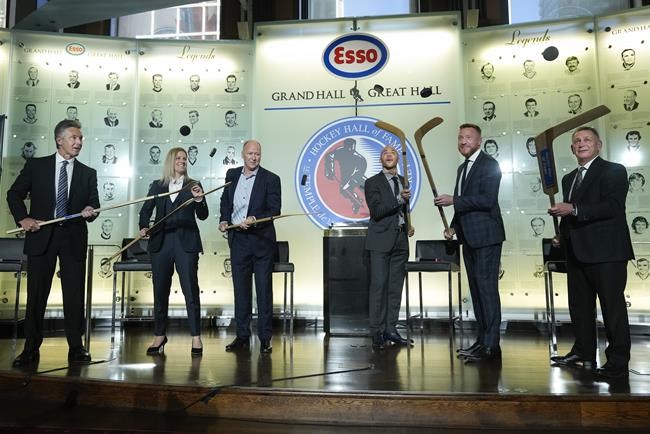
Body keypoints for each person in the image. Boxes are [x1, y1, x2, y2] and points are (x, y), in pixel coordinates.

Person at [6, 119, 99, 367]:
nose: (79, 142)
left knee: (74, 294)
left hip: (73, 238)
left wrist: (90, 210)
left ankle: (76, 347)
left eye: (80, 138)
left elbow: (94, 204)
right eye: (74, 138)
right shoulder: (36, 166)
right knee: (36, 294)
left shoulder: (88, 173)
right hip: (41, 237)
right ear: (59, 140)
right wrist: (23, 219)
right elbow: (14, 194)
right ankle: (30, 348)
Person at [548, 126, 634, 380]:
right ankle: (583, 351)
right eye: (577, 141)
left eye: (587, 139)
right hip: (576, 252)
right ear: (572, 148)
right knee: (580, 307)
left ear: (599, 145)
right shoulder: (569, 178)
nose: (581, 143)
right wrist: (561, 234)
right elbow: (570, 215)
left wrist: (573, 209)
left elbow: (612, 206)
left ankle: (618, 362)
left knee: (612, 309)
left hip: (607, 252)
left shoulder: (614, 170)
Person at [434, 123, 505, 363]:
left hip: (486, 237)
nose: (463, 141)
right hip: (468, 237)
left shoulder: (489, 164)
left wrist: (454, 199)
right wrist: (454, 227)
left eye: (468, 137)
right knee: (476, 291)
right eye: (460, 137)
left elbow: (487, 200)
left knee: (487, 290)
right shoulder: (462, 168)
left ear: (479, 141)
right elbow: (463, 204)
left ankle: (492, 346)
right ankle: (482, 341)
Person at [139, 147, 208, 357]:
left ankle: (196, 337)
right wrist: (144, 226)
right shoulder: (157, 185)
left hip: (185, 244)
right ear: (170, 161)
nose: (182, 161)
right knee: (160, 291)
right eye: (178, 158)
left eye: (184, 158)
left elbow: (203, 215)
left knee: (190, 290)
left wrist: (199, 199)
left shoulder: (193, 185)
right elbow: (145, 210)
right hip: (161, 243)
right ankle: (159, 335)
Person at [219, 139, 281, 354]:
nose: (254, 157)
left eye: (257, 154)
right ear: (243, 154)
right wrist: (224, 219)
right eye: (251, 153)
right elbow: (225, 200)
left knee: (263, 291)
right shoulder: (231, 175)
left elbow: (275, 209)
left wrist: (255, 219)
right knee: (241, 291)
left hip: (262, 242)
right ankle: (242, 335)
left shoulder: (271, 179)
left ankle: (265, 338)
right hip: (238, 241)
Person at [365, 145, 415, 350]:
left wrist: (407, 224)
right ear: (380, 159)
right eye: (385, 152)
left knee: (395, 288)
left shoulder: (403, 181)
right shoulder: (372, 182)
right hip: (380, 240)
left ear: (397, 159)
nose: (389, 154)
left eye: (392, 152)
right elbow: (377, 211)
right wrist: (399, 199)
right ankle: (376, 332)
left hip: (401, 240)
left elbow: (403, 210)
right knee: (379, 286)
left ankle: (391, 329)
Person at [324, 137, 367, 214]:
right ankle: (356, 202)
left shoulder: (360, 159)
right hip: (345, 177)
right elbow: (329, 156)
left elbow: (357, 175)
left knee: (365, 190)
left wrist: (347, 185)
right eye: (348, 147)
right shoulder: (340, 151)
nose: (349, 150)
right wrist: (329, 171)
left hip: (358, 178)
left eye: (351, 148)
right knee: (344, 191)